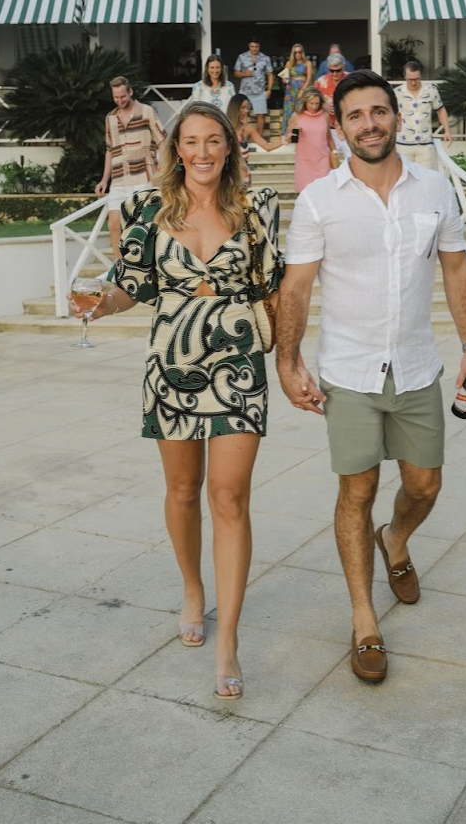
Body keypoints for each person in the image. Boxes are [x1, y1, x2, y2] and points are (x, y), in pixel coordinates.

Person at [275, 70, 466, 685]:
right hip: (349, 371)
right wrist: (288, 362)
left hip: (418, 366)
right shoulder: (320, 199)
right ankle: (364, 618)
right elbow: (295, 286)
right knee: (356, 492)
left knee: (425, 486)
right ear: (338, 128)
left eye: (379, 111)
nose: (368, 123)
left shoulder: (434, 190)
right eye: (355, 115)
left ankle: (395, 541)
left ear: (398, 116)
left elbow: (456, 268)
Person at [75, 101, 283, 701]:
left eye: (212, 141)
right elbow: (130, 288)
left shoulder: (258, 208)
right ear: (175, 150)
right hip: (170, 368)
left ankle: (229, 643)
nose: (201, 153)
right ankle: (193, 588)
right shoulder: (147, 209)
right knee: (183, 491)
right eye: (189, 142)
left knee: (230, 498)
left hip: (238, 369)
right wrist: (98, 303)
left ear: (229, 147)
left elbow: (275, 287)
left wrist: (288, 359)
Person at [95, 76, 165, 259]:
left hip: (143, 177)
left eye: (122, 97)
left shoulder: (146, 111)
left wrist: (161, 168)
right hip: (118, 179)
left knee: (143, 228)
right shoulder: (110, 118)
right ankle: (121, 271)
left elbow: (162, 141)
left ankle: (147, 267)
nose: (119, 101)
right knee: (113, 224)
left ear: (130, 92)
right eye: (116, 97)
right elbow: (110, 150)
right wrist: (104, 180)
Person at [394, 59, 452, 171]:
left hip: (425, 144)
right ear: (404, 76)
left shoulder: (431, 90)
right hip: (403, 144)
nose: (413, 82)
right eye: (410, 79)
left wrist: (447, 131)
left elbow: (440, 110)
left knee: (427, 177)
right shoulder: (397, 93)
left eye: (416, 79)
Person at [285, 86, 337, 192]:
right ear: (305, 102)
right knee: (306, 193)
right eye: (311, 103)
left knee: (325, 191)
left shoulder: (325, 116)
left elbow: (329, 138)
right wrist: (292, 135)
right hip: (305, 161)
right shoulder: (297, 116)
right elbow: (287, 138)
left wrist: (335, 154)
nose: (314, 106)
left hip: (323, 160)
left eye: (317, 103)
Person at [227, 94, 283, 183]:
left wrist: (285, 140)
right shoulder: (222, 128)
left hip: (243, 177)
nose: (246, 111)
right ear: (235, 108)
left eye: (247, 108)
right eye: (243, 107)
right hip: (226, 177)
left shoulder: (248, 128)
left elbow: (267, 146)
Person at [234, 38, 273, 136]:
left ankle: (258, 137)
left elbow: (270, 74)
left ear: (259, 46)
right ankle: (243, 136)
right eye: (252, 46)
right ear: (249, 46)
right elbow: (236, 73)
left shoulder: (265, 58)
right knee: (243, 114)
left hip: (260, 91)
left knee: (261, 115)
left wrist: (269, 89)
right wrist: (244, 73)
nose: (254, 49)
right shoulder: (242, 57)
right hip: (245, 91)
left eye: (256, 47)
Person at [315, 52, 350, 161]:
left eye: (338, 70)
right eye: (332, 71)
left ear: (343, 67)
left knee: (352, 159)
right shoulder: (321, 82)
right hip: (328, 130)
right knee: (329, 162)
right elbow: (310, 103)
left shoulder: (352, 80)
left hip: (347, 128)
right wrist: (322, 105)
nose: (334, 74)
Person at [281, 43, 314, 124]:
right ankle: (287, 133)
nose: (298, 54)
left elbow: (309, 78)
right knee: (289, 110)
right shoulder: (289, 63)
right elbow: (284, 77)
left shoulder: (307, 63)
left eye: (299, 52)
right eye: (295, 52)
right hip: (290, 89)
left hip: (302, 88)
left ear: (302, 52)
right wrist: (284, 80)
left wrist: (302, 90)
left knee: (301, 109)